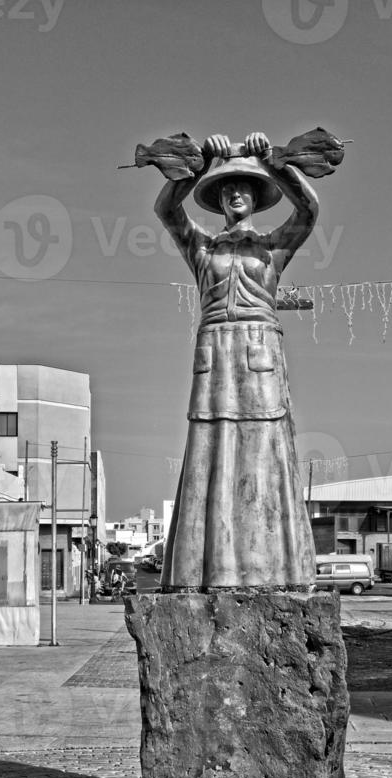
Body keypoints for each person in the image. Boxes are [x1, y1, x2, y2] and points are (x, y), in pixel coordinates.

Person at [154, 131, 318, 590]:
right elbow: (166, 211)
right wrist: (201, 164)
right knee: (211, 450)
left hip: (260, 348)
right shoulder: (203, 250)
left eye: (245, 187)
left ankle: (276, 568)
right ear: (219, 198)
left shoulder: (272, 247)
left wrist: (277, 166)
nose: (236, 193)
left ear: (258, 196)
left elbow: (308, 212)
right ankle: (205, 567)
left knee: (265, 449)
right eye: (227, 189)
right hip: (215, 351)